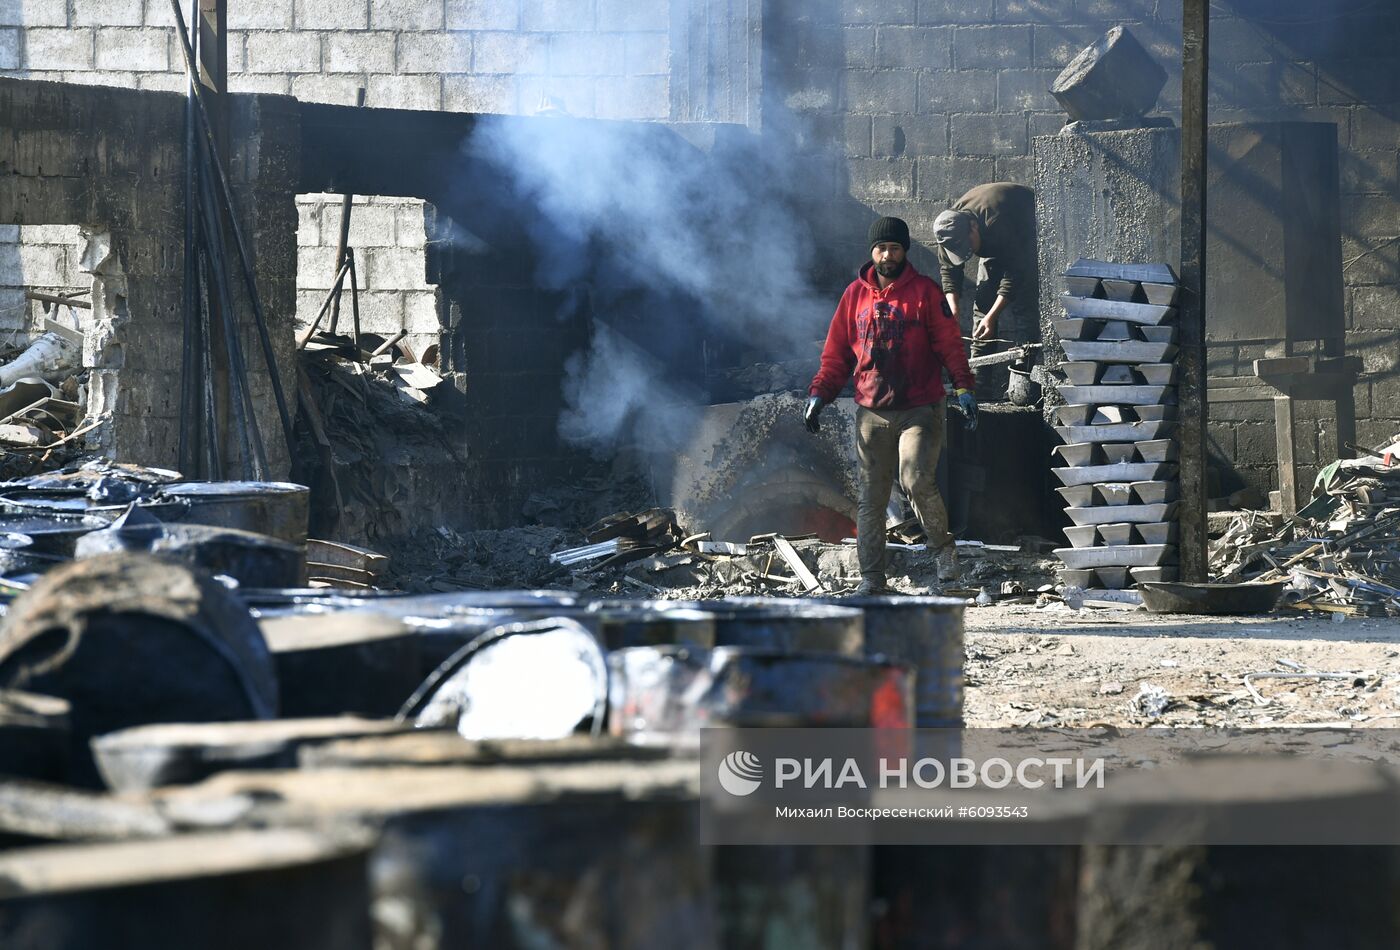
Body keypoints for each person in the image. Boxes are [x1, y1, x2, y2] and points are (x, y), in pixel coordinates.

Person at [804, 216, 978, 594]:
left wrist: (963, 387)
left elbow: (949, 344)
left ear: (905, 252)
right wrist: (820, 394)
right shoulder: (854, 296)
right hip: (872, 413)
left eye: (895, 248)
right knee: (871, 498)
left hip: (920, 408)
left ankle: (946, 566)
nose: (888, 255)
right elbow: (836, 354)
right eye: (882, 248)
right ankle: (872, 580)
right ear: (872, 252)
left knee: (916, 480)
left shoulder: (925, 293)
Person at [933, 182, 1038, 399]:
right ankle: (979, 383)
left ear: (973, 226)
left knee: (1023, 307)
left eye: (967, 246)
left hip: (1026, 230)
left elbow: (1015, 274)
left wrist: (993, 316)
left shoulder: (996, 220)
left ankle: (1025, 382)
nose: (967, 253)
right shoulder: (948, 229)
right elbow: (949, 271)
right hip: (993, 239)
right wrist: (953, 310)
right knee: (982, 303)